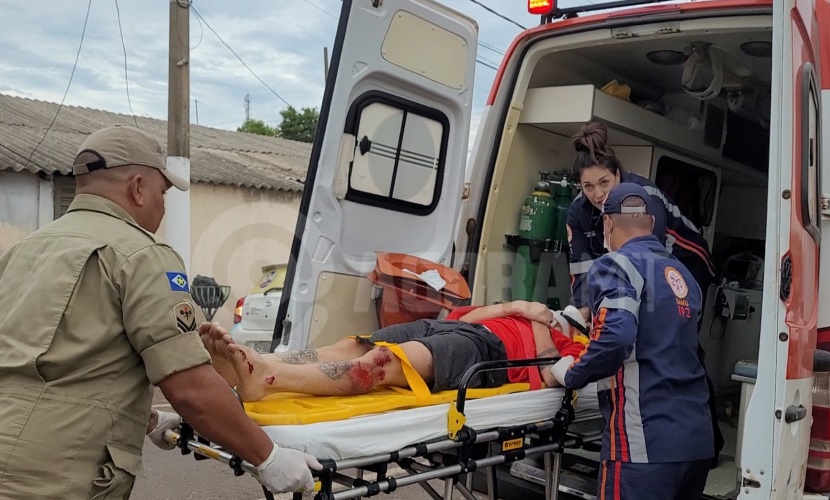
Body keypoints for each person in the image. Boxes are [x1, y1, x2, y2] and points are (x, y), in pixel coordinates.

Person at [0, 126, 318, 498]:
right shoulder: (141, 253)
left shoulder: (25, 250)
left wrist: (144, 419)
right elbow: (190, 390)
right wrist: (269, 458)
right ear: (137, 188)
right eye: (162, 193)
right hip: (57, 477)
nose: (162, 206)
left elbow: (54, 366)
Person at [565, 121, 724, 465]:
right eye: (588, 186)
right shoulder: (578, 212)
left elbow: (652, 263)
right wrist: (582, 313)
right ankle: (630, 427)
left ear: (618, 175)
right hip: (641, 267)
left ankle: (705, 443)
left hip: (687, 265)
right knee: (624, 335)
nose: (597, 194)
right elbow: (581, 270)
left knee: (675, 349)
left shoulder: (641, 200)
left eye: (604, 183)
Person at [553, 183, 714, 499]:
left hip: (644, 444)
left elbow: (616, 335)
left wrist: (572, 374)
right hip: (695, 441)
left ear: (608, 224)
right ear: (651, 224)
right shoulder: (682, 275)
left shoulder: (616, 264)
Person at [200, 301, 586, 402]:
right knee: (352, 344)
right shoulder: (531, 310)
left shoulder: (575, 347)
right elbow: (465, 315)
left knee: (378, 366)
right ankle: (259, 362)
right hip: (454, 325)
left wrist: (542, 326)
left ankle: (266, 381)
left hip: (485, 350)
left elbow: (553, 374)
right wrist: (516, 306)